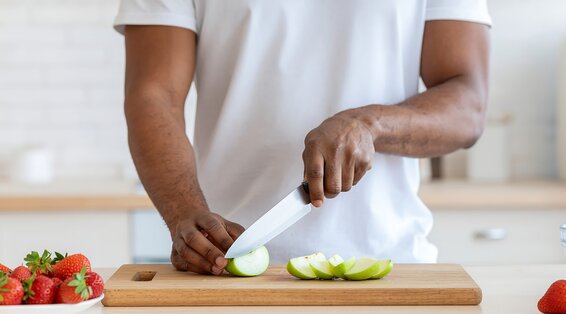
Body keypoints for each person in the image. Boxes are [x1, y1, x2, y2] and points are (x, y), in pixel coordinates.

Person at [114, 0, 491, 275]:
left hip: (390, 268)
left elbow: (467, 104)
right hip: (230, 270)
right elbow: (153, 95)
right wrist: (184, 212)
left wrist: (370, 123)